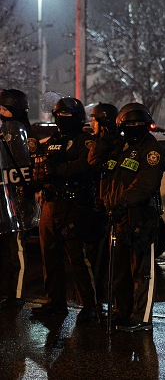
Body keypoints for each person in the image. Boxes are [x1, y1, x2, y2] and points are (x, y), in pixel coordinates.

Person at [98, 103, 165, 332]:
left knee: (142, 271)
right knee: (119, 271)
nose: (134, 128)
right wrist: (105, 139)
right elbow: (94, 163)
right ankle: (122, 311)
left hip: (140, 216)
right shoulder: (118, 146)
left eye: (138, 124)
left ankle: (142, 317)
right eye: (129, 125)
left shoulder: (152, 150)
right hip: (117, 217)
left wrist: (122, 203)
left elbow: (145, 184)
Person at [31, 97, 99, 323]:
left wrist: (57, 170)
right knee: (49, 258)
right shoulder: (52, 140)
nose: (62, 120)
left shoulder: (85, 140)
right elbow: (40, 166)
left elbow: (85, 166)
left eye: (67, 116)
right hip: (50, 205)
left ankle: (90, 305)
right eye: (59, 116)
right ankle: (55, 302)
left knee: (77, 258)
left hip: (73, 206)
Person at [0, 89, 36, 309]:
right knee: (11, 251)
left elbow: (23, 170)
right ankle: (12, 292)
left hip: (17, 201)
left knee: (17, 251)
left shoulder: (16, 132)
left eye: (3, 109)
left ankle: (17, 294)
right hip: (7, 201)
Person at [87, 102, 119, 309]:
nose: (91, 122)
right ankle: (96, 298)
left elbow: (93, 161)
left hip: (107, 204)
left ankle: (104, 299)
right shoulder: (99, 140)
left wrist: (104, 139)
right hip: (96, 204)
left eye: (95, 119)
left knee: (105, 258)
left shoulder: (111, 142)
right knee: (94, 255)